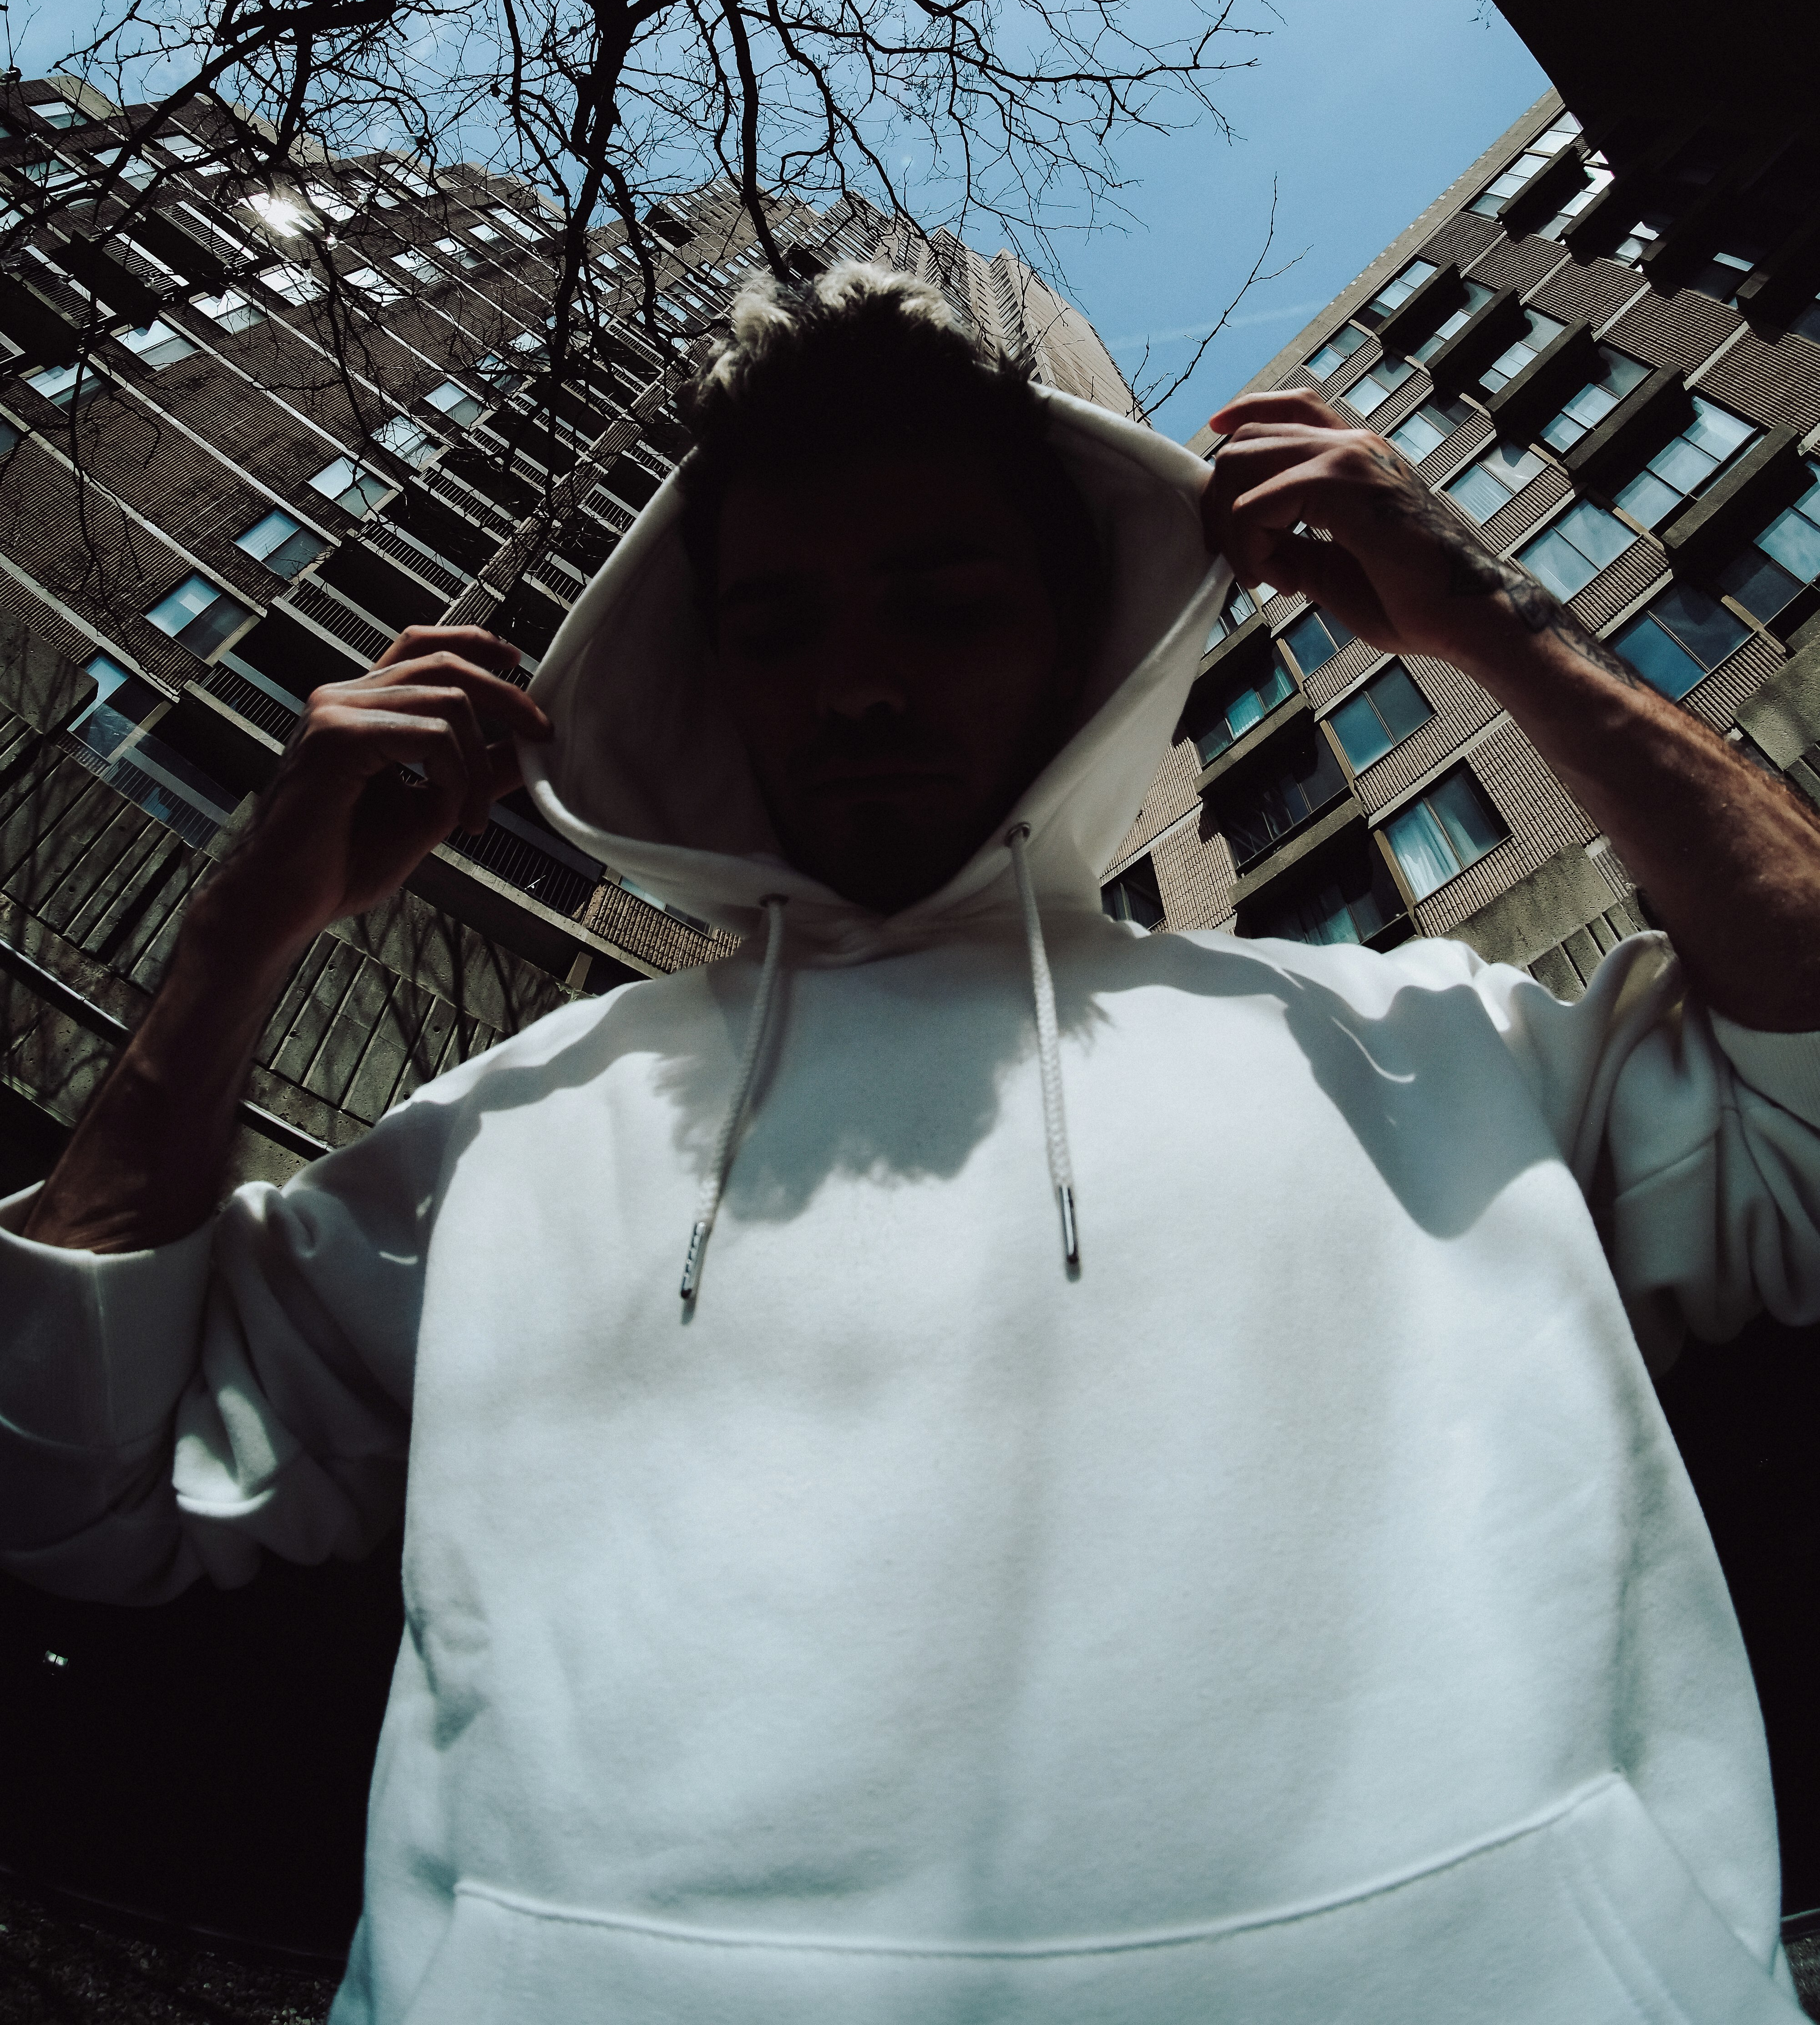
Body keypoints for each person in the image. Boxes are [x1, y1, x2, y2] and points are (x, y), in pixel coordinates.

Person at [5, 259, 1820, 2025]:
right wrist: (242, 930)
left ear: (1076, 643)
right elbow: (71, 1484)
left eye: (943, 605)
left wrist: (1494, 618)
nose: (855, 686)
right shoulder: (517, 1122)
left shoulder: (1412, 1035)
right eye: (778, 631)